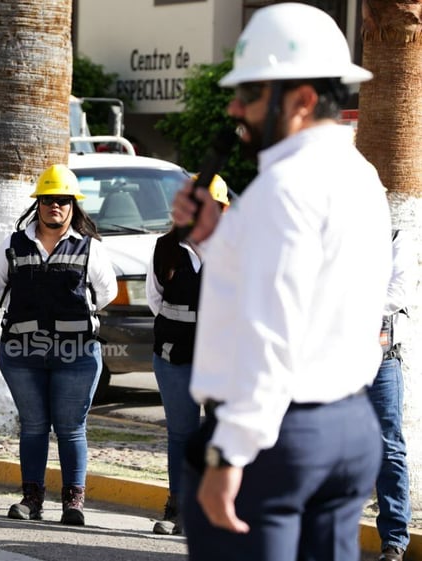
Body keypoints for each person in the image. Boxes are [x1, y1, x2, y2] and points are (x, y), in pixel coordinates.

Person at [169, 4, 393, 560]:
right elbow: (313, 296)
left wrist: (228, 455)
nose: (234, 108)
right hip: (348, 429)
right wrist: (216, 238)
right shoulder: (359, 175)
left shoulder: (283, 190)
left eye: (250, 93)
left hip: (276, 441)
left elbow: (271, 335)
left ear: (303, 99)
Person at [0, 164, 117, 526]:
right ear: (37, 204)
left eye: (61, 200)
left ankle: (73, 503)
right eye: (47, 200)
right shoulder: (14, 244)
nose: (54, 207)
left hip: (76, 354)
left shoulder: (90, 247)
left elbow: (106, 293)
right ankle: (32, 500)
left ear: (73, 205)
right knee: (32, 425)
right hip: (21, 353)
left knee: (71, 427)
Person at [147, 174, 229, 536]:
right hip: (173, 355)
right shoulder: (164, 248)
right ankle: (177, 506)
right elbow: (156, 301)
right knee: (181, 433)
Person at [368, 229, 414, 561]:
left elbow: (396, 293)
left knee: (389, 449)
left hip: (382, 363)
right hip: (333, 364)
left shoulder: (397, 238)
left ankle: (394, 540)